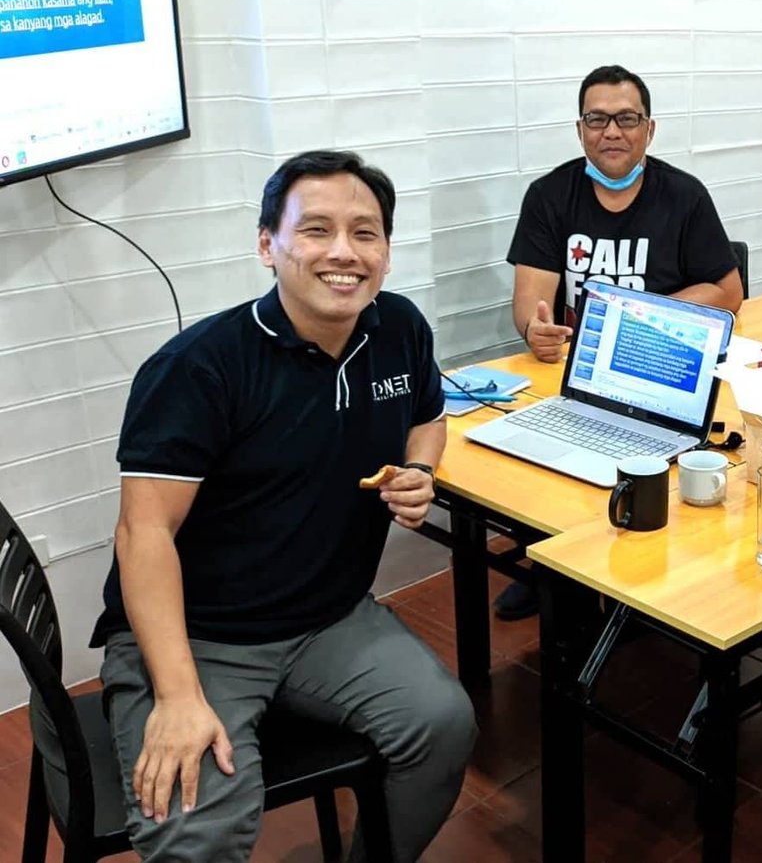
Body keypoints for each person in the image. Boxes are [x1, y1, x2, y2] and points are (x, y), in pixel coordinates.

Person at [79, 151, 477, 862]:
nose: (343, 252)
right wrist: (174, 695)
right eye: (316, 229)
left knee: (443, 724)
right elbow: (143, 533)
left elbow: (428, 416)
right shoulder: (200, 368)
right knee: (195, 830)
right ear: (268, 244)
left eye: (366, 233)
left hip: (328, 619)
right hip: (197, 637)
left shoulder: (399, 330)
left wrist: (420, 467)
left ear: (386, 252)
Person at [495, 63, 743, 620]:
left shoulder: (684, 195)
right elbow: (528, 304)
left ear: (649, 130)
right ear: (579, 129)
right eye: (597, 119)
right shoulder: (549, 195)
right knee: (555, 459)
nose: (612, 131)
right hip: (580, 373)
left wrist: (640, 319)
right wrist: (535, 331)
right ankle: (555, 565)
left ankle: (644, 570)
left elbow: (729, 291)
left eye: (626, 118)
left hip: (667, 361)